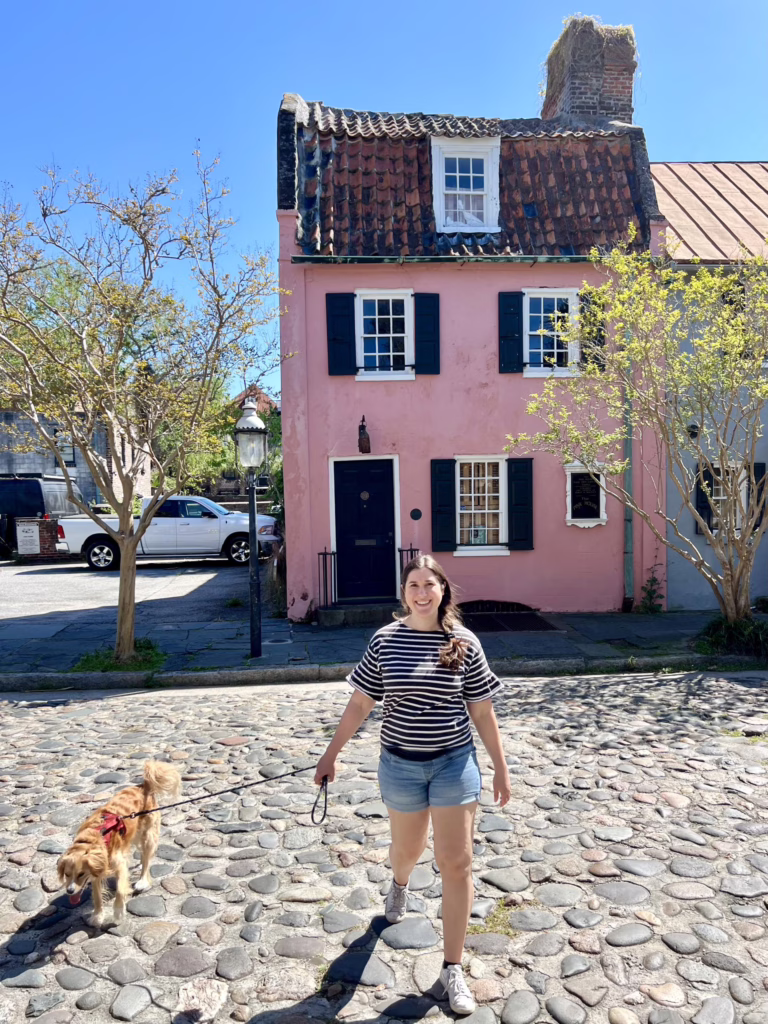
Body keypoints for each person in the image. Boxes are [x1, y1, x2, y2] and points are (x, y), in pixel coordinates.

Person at [315, 555, 511, 1015]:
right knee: (406, 851)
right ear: (404, 592)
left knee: (457, 862)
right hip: (400, 766)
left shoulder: (463, 642)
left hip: (453, 765)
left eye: (430, 584)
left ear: (444, 590)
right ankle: (399, 883)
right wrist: (331, 753)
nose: (421, 592)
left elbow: (482, 710)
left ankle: (452, 967)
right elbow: (361, 702)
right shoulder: (385, 641)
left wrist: (500, 767)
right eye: (413, 585)